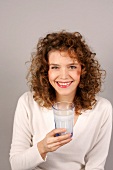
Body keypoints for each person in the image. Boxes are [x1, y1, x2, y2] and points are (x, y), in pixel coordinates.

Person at [9, 30, 112, 170]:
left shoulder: (102, 109)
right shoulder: (28, 102)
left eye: (72, 67)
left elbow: (95, 166)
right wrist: (42, 147)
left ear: (83, 69)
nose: (63, 76)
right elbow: (16, 165)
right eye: (55, 67)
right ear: (46, 72)